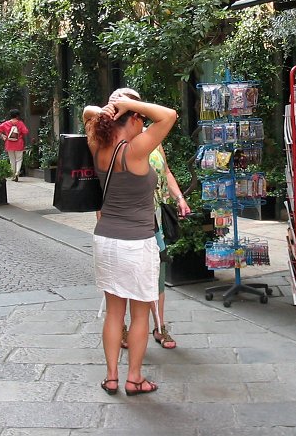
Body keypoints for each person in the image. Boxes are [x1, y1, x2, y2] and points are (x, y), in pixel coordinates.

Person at [83, 95, 176, 396]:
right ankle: (134, 378)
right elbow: (169, 115)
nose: (144, 126)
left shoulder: (98, 147)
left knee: (114, 313)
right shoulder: (135, 151)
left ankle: (111, 377)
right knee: (139, 315)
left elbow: (87, 113)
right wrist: (130, 104)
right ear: (133, 118)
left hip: (105, 240)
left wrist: (109, 109)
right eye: (141, 120)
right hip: (137, 243)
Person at [106, 88, 191, 350]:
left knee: (157, 274)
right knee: (122, 279)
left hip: (153, 217)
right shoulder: (109, 140)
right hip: (123, 221)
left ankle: (159, 326)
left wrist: (179, 198)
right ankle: (122, 327)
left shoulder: (151, 136)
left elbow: (166, 171)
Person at [0, 109, 29, 182]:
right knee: (19, 159)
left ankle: (13, 175)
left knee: (12, 160)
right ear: (17, 116)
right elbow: (26, 132)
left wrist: (2, 135)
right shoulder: (20, 123)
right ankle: (17, 172)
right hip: (19, 143)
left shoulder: (6, 123)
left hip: (9, 143)